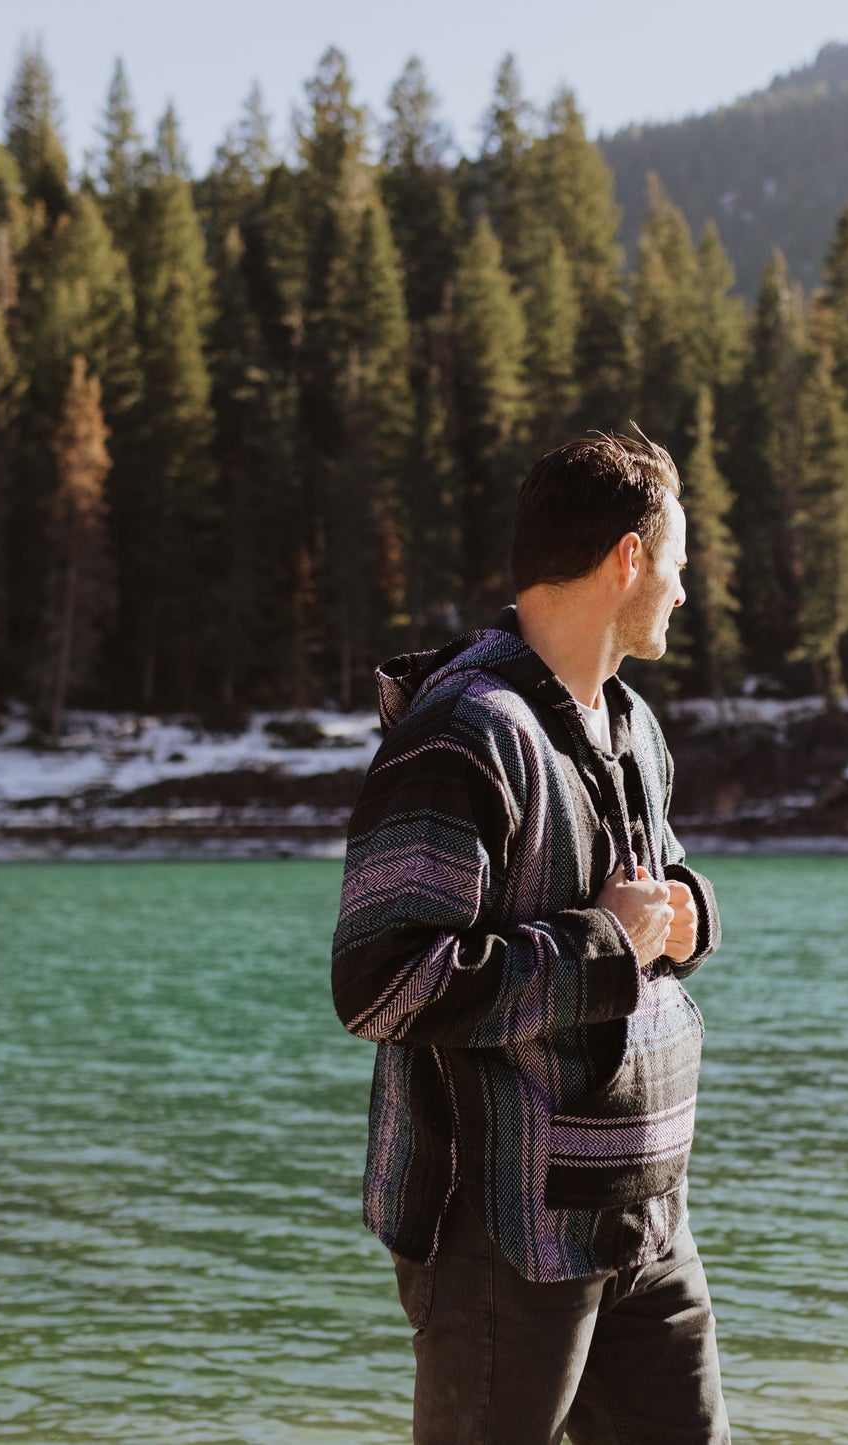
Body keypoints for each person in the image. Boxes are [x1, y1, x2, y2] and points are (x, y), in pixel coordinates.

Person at [331, 433, 729, 1444]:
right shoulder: (460, 731)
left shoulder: (631, 727)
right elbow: (382, 982)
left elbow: (651, 903)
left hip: (645, 1220)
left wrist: (684, 914)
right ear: (627, 560)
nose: (682, 593)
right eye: (676, 566)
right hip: (502, 1232)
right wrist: (604, 943)